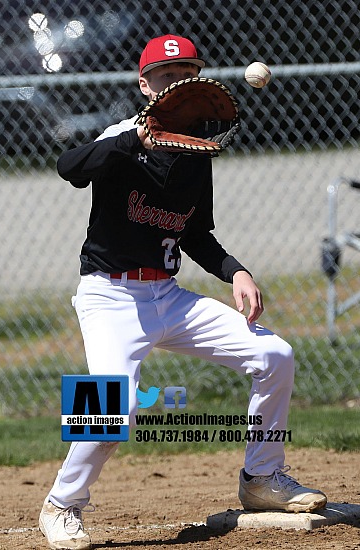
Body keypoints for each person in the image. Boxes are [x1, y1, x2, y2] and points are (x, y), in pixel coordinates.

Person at [39, 34, 327, 550]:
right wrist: (134, 140)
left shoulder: (196, 152)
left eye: (186, 75)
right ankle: (62, 506)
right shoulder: (122, 136)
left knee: (274, 353)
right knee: (112, 407)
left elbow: (195, 234)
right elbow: (69, 168)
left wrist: (236, 272)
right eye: (167, 77)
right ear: (145, 84)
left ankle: (262, 480)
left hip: (168, 296)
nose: (178, 85)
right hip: (109, 296)